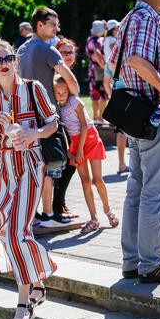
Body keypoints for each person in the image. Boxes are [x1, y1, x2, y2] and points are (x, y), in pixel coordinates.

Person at [0, 37, 58, 319]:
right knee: (6, 231)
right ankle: (37, 283)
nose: (4, 64)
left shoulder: (32, 88)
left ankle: (23, 303)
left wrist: (33, 134)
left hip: (30, 165)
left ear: (16, 61)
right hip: (4, 168)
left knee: (16, 232)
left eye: (8, 58)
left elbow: (53, 123)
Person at [110, 0, 160, 283]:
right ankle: (151, 264)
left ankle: (132, 261)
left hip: (134, 115)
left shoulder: (129, 19)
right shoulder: (147, 18)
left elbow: (115, 66)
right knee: (153, 193)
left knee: (136, 189)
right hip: (151, 115)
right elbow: (135, 60)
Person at [17, 6, 79, 227]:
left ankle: (32, 215)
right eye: (52, 24)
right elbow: (70, 79)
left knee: (31, 167)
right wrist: (73, 96)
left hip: (23, 114)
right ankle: (50, 215)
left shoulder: (22, 49)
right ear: (39, 25)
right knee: (52, 165)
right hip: (45, 116)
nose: (56, 28)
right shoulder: (47, 49)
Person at [54, 75, 119, 233]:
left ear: (68, 90)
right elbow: (64, 132)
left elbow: (84, 125)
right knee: (85, 181)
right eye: (58, 93)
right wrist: (71, 150)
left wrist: (80, 149)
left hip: (88, 138)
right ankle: (94, 218)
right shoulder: (58, 109)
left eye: (64, 92)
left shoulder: (75, 102)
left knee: (97, 181)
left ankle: (108, 211)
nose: (62, 95)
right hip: (76, 143)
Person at [52, 38, 79, 219]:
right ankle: (57, 206)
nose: (67, 56)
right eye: (63, 52)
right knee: (65, 167)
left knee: (69, 167)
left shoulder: (70, 74)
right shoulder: (56, 75)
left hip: (72, 130)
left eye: (70, 52)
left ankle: (60, 204)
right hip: (59, 127)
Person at [103, 21, 129, 175]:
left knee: (121, 131)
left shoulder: (110, 60)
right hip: (134, 96)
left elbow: (106, 82)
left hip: (118, 96)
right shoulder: (132, 57)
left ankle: (121, 164)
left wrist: (111, 97)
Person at [86, 20, 108, 124]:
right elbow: (97, 53)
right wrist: (104, 66)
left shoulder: (89, 39)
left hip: (91, 69)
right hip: (99, 69)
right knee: (103, 94)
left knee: (94, 94)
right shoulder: (99, 40)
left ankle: (95, 118)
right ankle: (100, 117)